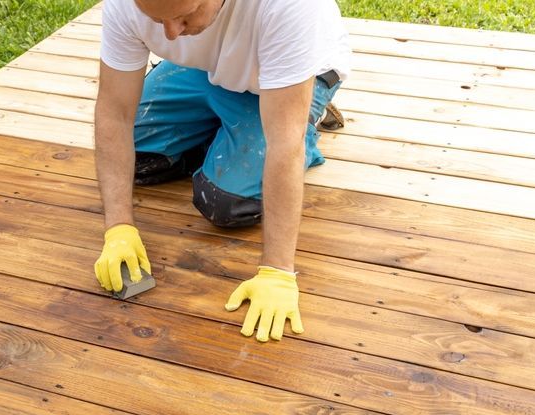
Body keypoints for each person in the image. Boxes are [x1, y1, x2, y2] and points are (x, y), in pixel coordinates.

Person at [93, 0, 351, 342]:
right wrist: (118, 228)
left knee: (226, 201)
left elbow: (284, 146)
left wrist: (277, 272)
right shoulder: (126, 5)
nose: (171, 33)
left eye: (184, 15)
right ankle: (227, 130)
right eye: (157, 20)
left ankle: (308, 115)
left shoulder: (289, 8)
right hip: (208, 66)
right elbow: (113, 113)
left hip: (282, 72)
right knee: (138, 156)